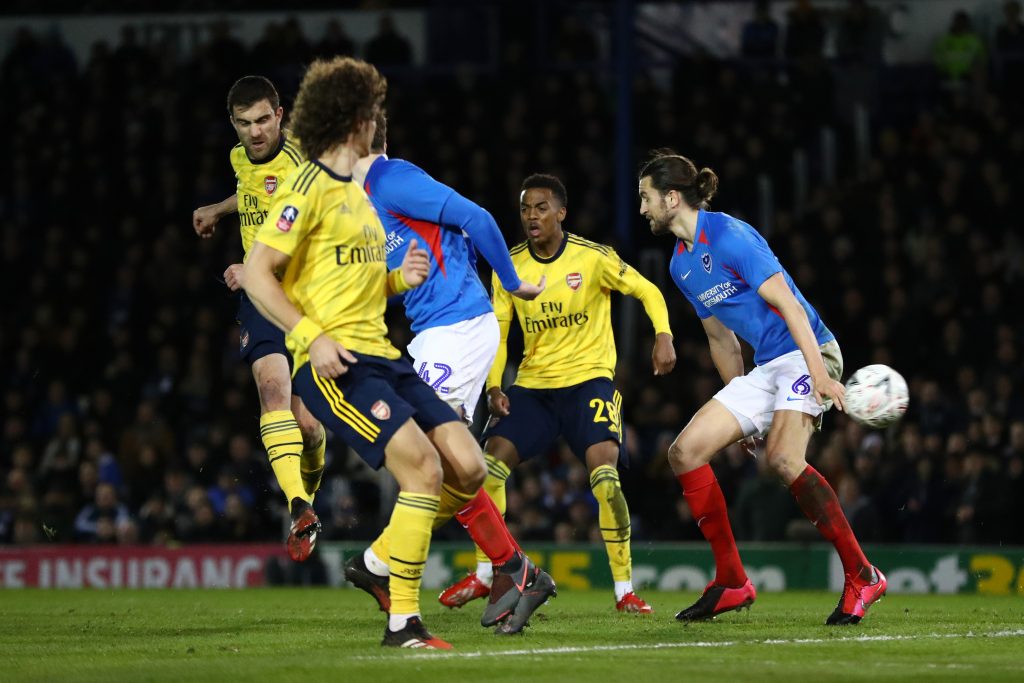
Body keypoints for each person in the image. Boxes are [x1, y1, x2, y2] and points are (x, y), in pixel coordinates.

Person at [244, 57, 549, 648]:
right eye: (373, 111)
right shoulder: (303, 191)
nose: (378, 120)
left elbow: (355, 283)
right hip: (336, 366)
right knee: (424, 468)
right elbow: (259, 275)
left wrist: (398, 282)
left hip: (387, 356)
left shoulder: (359, 199)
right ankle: (403, 622)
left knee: (466, 463)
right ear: (354, 118)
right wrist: (310, 336)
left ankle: (412, 562)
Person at [637, 149, 886, 625]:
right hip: (768, 365)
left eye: (646, 198)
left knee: (785, 459)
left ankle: (863, 575)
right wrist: (745, 417)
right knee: (684, 453)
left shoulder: (730, 236)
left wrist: (818, 374)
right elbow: (720, 340)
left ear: (672, 198)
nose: (642, 208)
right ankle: (732, 580)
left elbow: (791, 307)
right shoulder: (680, 265)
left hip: (808, 348)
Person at [340, 113, 555, 635]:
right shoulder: (361, 198)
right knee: (449, 464)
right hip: (436, 331)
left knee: (426, 459)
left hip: (457, 328)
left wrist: (512, 280)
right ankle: (512, 569)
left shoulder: (393, 180)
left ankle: (382, 564)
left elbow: (477, 218)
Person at [439, 173, 676, 614]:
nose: (532, 216)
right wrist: (493, 386)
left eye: (541, 208)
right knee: (487, 467)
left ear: (561, 212)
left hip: (589, 382)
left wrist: (663, 334)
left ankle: (625, 592)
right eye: (526, 208)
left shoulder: (592, 258)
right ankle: (487, 574)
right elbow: (500, 330)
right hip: (533, 386)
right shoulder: (508, 265)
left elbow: (648, 290)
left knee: (605, 480)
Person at [191, 76, 325, 563]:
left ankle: (309, 486)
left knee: (308, 427)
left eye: (264, 120)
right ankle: (300, 508)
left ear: (281, 116)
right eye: (244, 123)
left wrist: (253, 269)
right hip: (260, 299)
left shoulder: (303, 167)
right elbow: (253, 193)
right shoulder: (238, 156)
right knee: (272, 391)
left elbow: (311, 238)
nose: (255, 132)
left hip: (305, 298)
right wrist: (219, 210)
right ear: (234, 124)